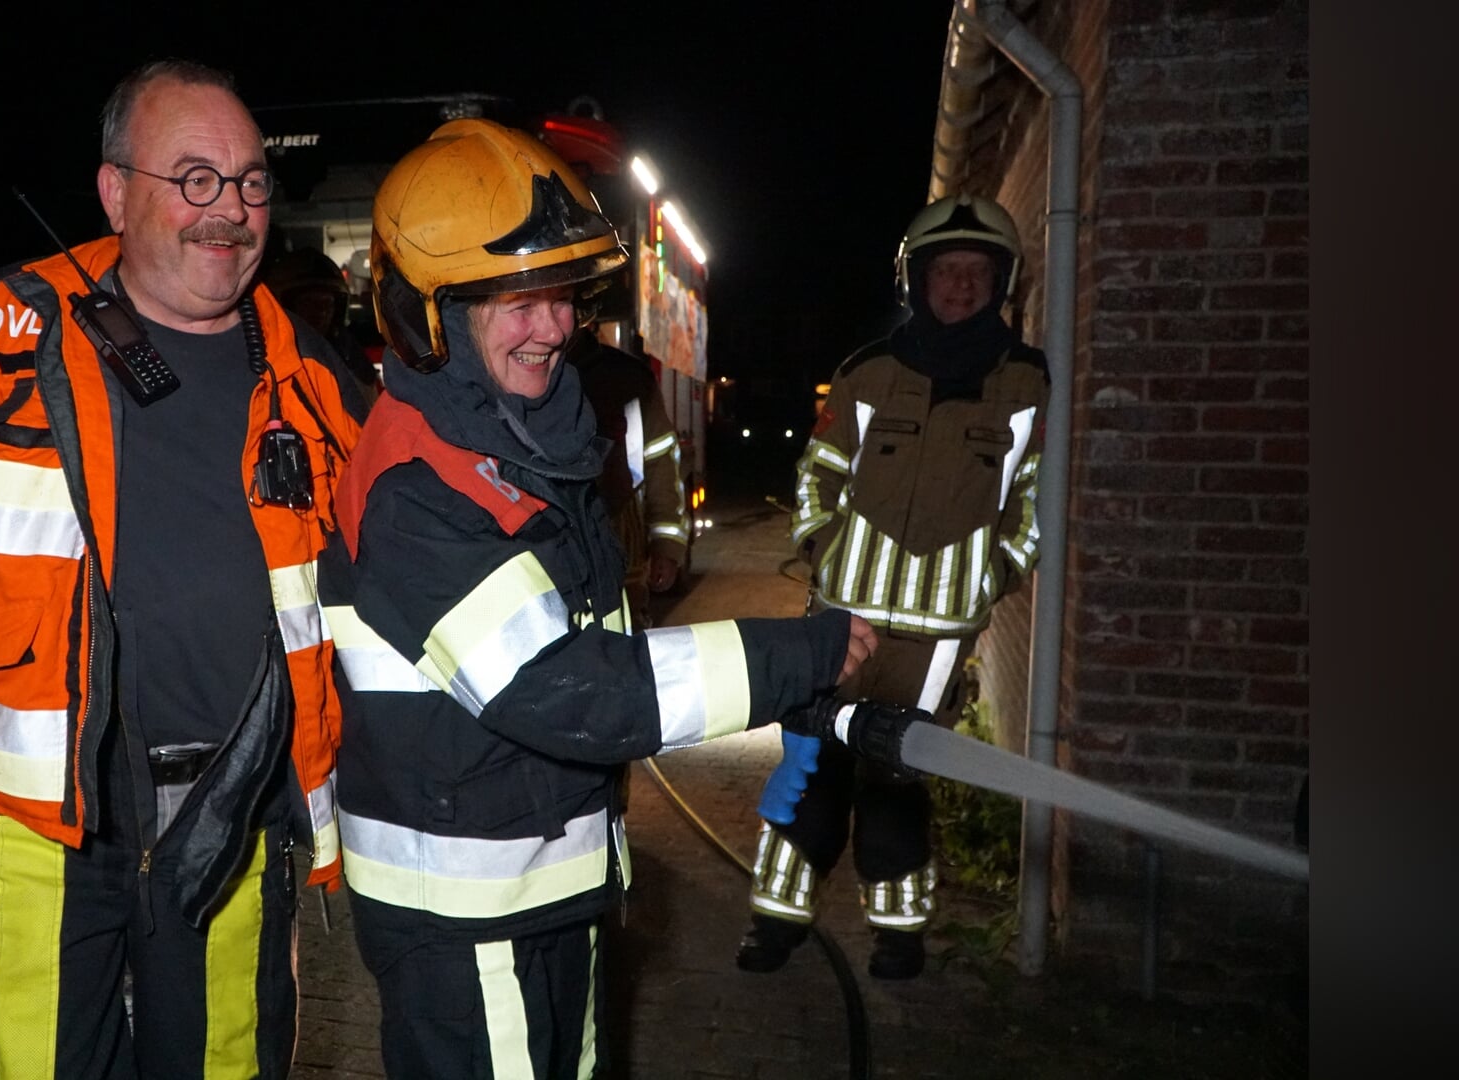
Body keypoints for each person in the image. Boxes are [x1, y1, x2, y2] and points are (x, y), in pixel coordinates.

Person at [315, 117, 876, 1079]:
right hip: (467, 917)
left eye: (564, 296)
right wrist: (797, 658)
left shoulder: (519, 443)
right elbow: (572, 689)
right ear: (427, 315)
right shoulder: (420, 490)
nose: (555, 328)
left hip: (545, 883)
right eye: (517, 302)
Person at [0, 60, 366, 1078]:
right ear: (116, 193)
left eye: (251, 181)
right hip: (44, 822)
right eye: (195, 178)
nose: (230, 210)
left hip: (240, 815)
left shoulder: (312, 376)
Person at [736, 192, 1050, 981]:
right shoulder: (868, 373)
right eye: (946, 271)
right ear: (917, 279)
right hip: (842, 621)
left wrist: (995, 575)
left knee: (898, 780)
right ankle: (775, 922)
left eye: (977, 272)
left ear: (1002, 282)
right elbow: (817, 474)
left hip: (937, 641)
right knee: (812, 763)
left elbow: (1038, 502)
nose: (961, 286)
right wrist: (824, 548)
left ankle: (899, 934)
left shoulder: (1027, 386)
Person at [565, 323, 689, 630]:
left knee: (624, 637)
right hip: (556, 550)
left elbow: (661, 465)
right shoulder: (521, 371)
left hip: (621, 538)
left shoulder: (628, 378)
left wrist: (666, 547)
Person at [263, 245, 382, 403]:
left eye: (327, 303)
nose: (320, 312)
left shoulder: (354, 361)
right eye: (308, 302)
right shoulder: (263, 357)